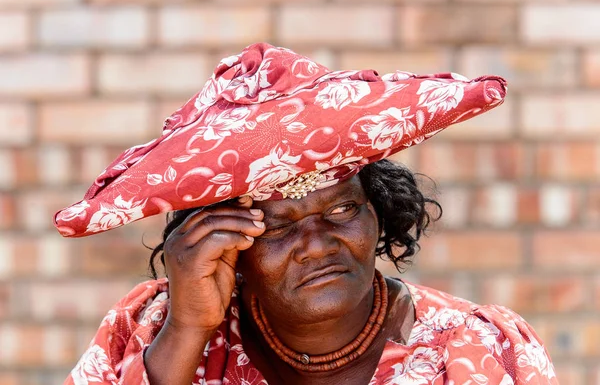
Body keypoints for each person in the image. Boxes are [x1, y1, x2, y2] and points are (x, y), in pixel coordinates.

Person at [58, 43, 557, 384]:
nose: (317, 244)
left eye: (342, 209)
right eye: (275, 225)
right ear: (222, 245)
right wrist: (188, 330)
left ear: (378, 212)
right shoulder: (148, 327)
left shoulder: (472, 348)